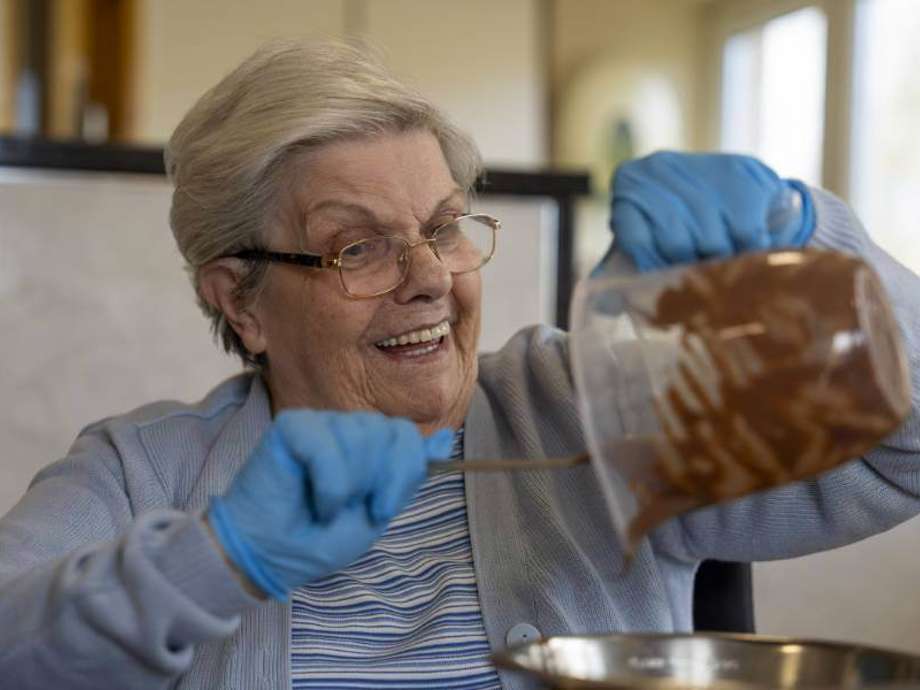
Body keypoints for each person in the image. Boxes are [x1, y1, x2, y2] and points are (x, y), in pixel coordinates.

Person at [0, 40, 917, 690]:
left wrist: (815, 240)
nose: (431, 278)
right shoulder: (142, 473)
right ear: (239, 299)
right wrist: (219, 561)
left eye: (442, 227)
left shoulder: (596, 412)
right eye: (359, 249)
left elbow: (902, 448)